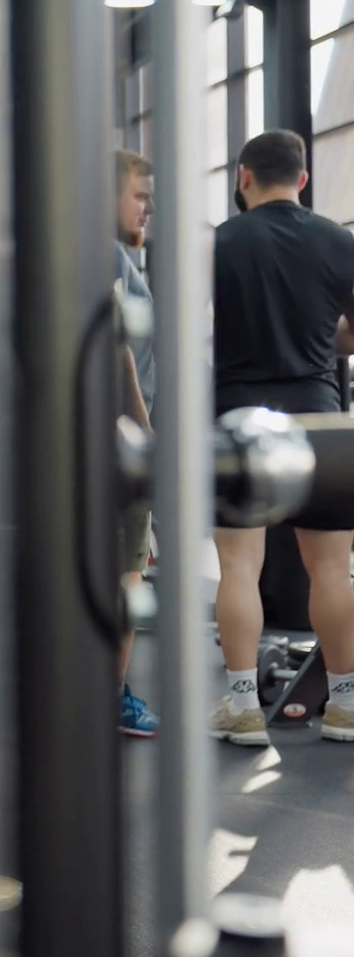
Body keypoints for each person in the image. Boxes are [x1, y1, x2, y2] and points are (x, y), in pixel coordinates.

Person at [210, 129, 354, 746]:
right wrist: (322, 340)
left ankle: (243, 707)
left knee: (239, 565)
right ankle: (346, 704)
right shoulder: (339, 241)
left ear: (243, 176)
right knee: (333, 568)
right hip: (318, 418)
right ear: (302, 179)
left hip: (240, 419)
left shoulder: (221, 241)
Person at [112, 149, 162, 738]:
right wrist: (147, 437)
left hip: (110, 441)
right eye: (140, 195)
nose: (148, 208)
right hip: (120, 446)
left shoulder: (116, 255)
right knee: (127, 576)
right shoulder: (106, 256)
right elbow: (119, 348)